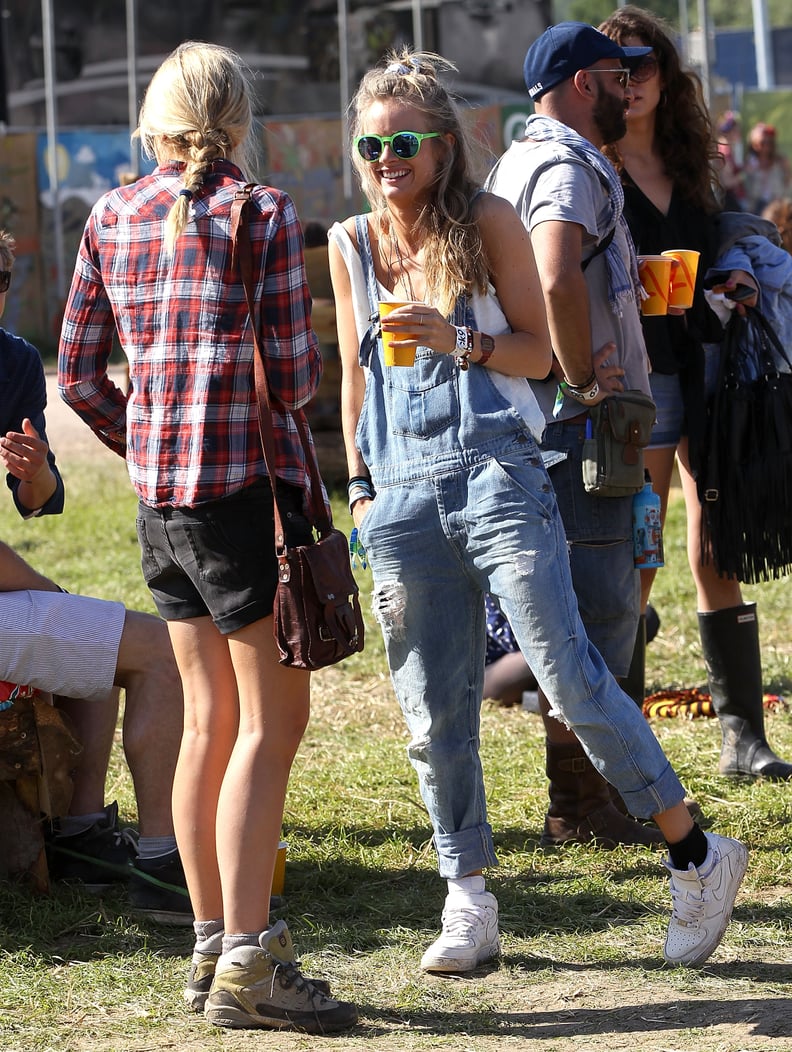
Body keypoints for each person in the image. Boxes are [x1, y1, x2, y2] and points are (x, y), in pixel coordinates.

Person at [328, 45, 747, 977]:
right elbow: (355, 383)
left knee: (565, 668)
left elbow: (542, 359)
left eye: (404, 143)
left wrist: (460, 338)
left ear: (443, 147)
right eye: (371, 145)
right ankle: (466, 896)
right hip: (397, 493)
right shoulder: (352, 240)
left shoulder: (487, 221)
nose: (386, 160)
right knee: (431, 709)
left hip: (496, 472)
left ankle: (695, 852)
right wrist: (359, 486)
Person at [58, 42, 357, 1034]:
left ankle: (209, 945)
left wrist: (143, 442)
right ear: (240, 118)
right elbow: (298, 379)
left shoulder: (110, 214)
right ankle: (250, 961)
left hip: (163, 512)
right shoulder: (262, 213)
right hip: (245, 503)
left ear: (154, 122)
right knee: (269, 732)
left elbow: (80, 374)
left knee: (206, 728)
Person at [598, 6, 792, 781]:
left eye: (644, 65)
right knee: (637, 554)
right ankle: (628, 756)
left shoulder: (688, 162)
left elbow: (707, 250)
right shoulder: (592, 166)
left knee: (720, 539)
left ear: (667, 75)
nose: (631, 81)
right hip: (637, 377)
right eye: (613, 70)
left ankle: (743, 738)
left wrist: (731, 278)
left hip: (708, 364)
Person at [485, 22, 666, 849]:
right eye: (618, 73)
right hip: (577, 429)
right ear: (583, 83)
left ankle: (587, 798)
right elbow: (555, 272)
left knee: (581, 618)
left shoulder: (516, 160)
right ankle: (587, 805)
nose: (631, 87)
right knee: (598, 619)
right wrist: (581, 378)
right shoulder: (563, 165)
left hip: (546, 424)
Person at [0, 228, 187, 919]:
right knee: (158, 652)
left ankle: (79, 835)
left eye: (0, 277)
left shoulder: (13, 360)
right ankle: (165, 862)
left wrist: (39, 473)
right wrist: (46, 592)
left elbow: (39, 502)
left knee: (97, 639)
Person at [743, 122, 791, 215]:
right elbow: (748, 190)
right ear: (753, 143)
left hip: (777, 206)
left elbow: (788, 186)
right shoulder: (751, 162)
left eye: (769, 143)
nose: (765, 147)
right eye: (762, 143)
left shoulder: (780, 161)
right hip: (756, 208)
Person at [715, 111, 746, 212]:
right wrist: (745, 174)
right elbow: (727, 182)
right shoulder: (724, 152)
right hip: (729, 202)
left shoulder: (728, 150)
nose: (739, 133)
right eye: (736, 130)